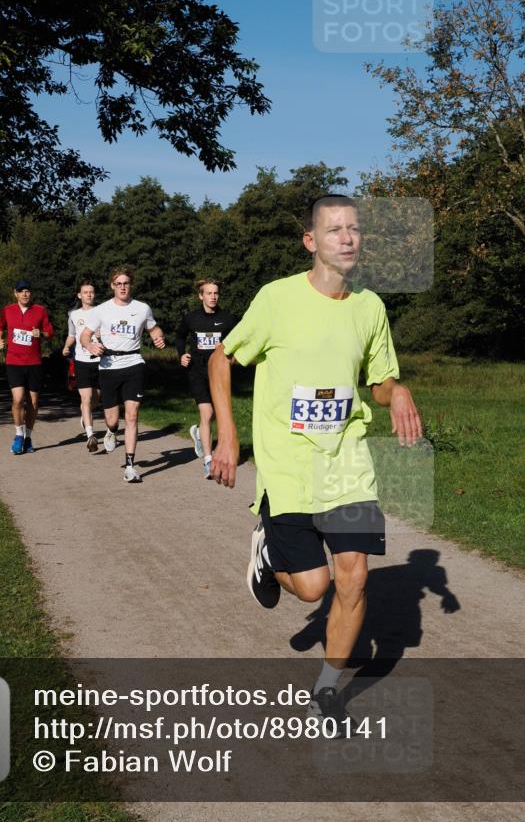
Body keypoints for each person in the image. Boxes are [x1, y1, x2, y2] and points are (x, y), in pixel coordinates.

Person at [209, 194, 422, 722]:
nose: (346, 238)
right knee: (313, 589)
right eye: (334, 230)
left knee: (353, 578)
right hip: (287, 464)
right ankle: (266, 552)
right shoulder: (277, 299)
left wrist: (396, 392)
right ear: (311, 242)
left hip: (347, 460)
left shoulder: (370, 307)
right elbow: (221, 358)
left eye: (353, 229)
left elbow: (378, 379)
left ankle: (327, 687)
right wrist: (229, 436)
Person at [79, 267, 165, 484]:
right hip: (108, 366)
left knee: (133, 415)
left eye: (126, 283)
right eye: (119, 283)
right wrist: (90, 346)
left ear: (131, 285)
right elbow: (84, 336)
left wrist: (158, 337)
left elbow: (153, 328)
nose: (123, 287)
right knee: (112, 419)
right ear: (112, 286)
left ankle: (130, 465)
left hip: (134, 363)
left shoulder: (142, 308)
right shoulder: (101, 310)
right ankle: (110, 431)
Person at [175, 278, 238, 479]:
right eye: (209, 293)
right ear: (200, 296)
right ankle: (208, 461)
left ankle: (200, 435)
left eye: (216, 293)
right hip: (197, 369)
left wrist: (235, 355)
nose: (213, 297)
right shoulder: (191, 318)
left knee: (219, 413)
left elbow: (239, 338)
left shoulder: (227, 319)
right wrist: (181, 354)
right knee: (207, 411)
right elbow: (179, 336)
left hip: (219, 370)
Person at [0, 280, 54, 455]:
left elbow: (50, 332)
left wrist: (41, 334)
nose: (25, 294)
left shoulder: (40, 310)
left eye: (28, 291)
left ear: (31, 293)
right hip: (14, 361)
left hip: (34, 363)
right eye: (21, 291)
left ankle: (28, 437)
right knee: (18, 399)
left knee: (33, 402)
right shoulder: (8, 310)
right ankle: (19, 435)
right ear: (15, 293)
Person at [63, 279, 102, 453]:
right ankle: (90, 435)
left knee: (96, 398)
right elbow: (72, 335)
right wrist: (66, 346)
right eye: (85, 292)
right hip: (82, 361)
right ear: (79, 295)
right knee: (85, 399)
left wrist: (103, 336)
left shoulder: (103, 312)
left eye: (91, 292)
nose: (89, 295)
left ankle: (85, 418)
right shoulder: (73, 314)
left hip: (101, 361)